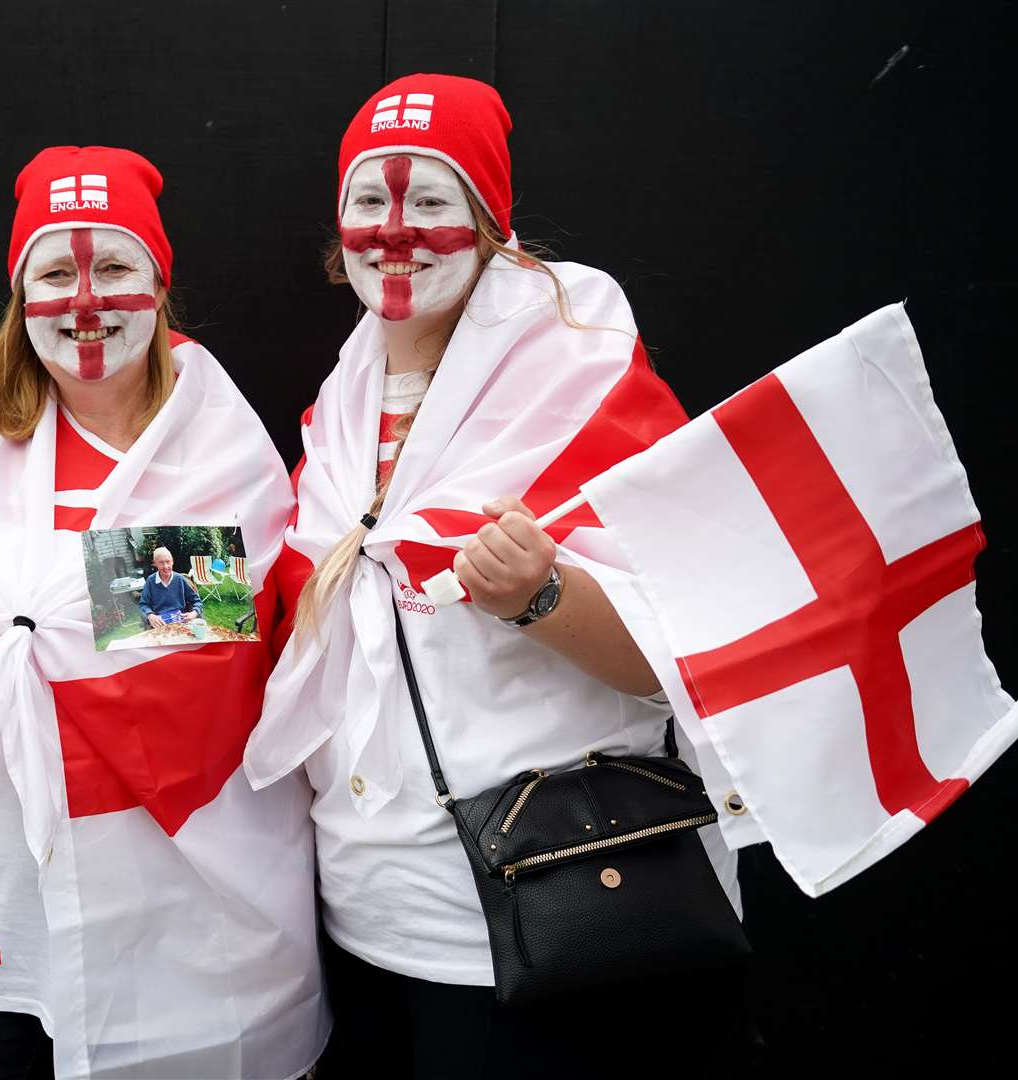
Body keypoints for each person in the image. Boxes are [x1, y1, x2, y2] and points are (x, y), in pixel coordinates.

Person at [0, 146, 327, 1079]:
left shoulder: (227, 465)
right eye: (53, 273)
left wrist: (52, 638)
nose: (85, 300)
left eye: (113, 266)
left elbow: (202, 701)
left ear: (158, 287)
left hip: (188, 930)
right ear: (19, 300)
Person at [245, 75, 746, 1074]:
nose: (394, 231)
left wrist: (537, 596)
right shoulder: (337, 412)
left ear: (487, 223)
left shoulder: (580, 379)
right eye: (368, 202)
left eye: (429, 201)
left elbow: (686, 659)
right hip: (365, 916)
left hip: (552, 915)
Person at [137, 546, 202, 628]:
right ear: (155, 564)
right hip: (160, 625)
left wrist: (194, 613)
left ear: (172, 562)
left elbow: (197, 601)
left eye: (168, 561)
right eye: (161, 562)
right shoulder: (150, 581)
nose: (165, 566)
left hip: (181, 623)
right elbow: (143, 605)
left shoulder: (180, 579)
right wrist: (150, 615)